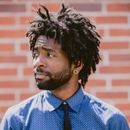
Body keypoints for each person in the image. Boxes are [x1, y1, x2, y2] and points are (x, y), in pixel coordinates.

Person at [0, 4, 129, 130]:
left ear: (77, 64)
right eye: (35, 54)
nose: (37, 62)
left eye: (49, 54)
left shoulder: (111, 122)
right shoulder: (16, 121)